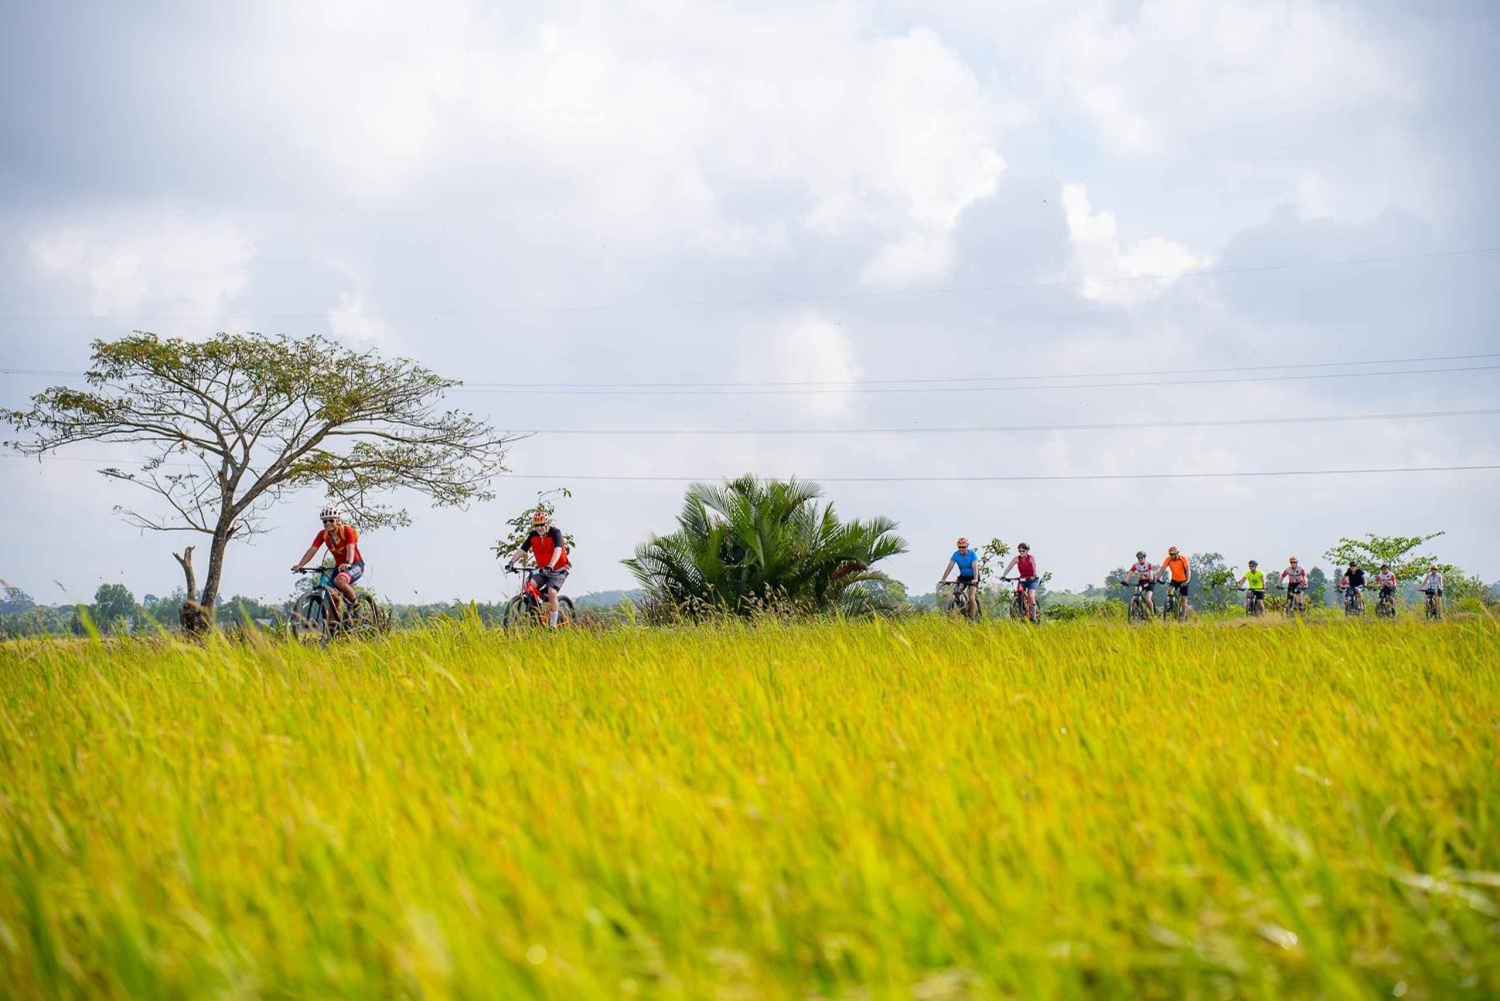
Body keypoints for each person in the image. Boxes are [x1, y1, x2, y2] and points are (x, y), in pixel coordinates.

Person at [292, 503, 364, 620]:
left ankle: (356, 606)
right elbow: (312, 549)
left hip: (355, 564)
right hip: (339, 568)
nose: (328, 524)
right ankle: (332, 630)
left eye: (331, 520)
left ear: (338, 520)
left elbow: (350, 548)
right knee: (332, 597)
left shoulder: (347, 530)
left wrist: (348, 563)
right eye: (325, 521)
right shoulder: (323, 534)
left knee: (340, 581)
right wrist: (300, 565)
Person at [506, 509, 571, 627]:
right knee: (529, 586)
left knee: (552, 593)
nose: (539, 527)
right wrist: (511, 562)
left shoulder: (555, 533)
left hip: (558, 569)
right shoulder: (533, 535)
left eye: (542, 524)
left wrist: (551, 565)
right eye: (537, 525)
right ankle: (536, 618)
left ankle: (552, 626)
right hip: (542, 570)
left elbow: (558, 550)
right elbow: (522, 549)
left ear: (547, 524)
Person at [1002, 542, 1039, 620]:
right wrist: (1004, 575)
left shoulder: (1031, 558)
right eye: (1020, 551)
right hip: (1022, 579)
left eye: (1023, 551)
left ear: (1027, 551)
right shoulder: (1016, 558)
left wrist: (1034, 575)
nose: (1021, 552)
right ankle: (1021, 610)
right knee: (1019, 592)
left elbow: (1034, 567)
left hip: (1032, 579)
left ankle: (1034, 616)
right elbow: (1009, 567)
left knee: (1031, 596)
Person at [1160, 546, 1191, 614]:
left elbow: (1188, 570)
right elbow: (1162, 569)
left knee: (1183, 599)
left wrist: (1187, 580)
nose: (1171, 556)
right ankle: (1170, 605)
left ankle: (1183, 616)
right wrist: (1157, 578)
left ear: (1177, 553)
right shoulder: (1168, 559)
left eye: (1172, 554)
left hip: (1184, 580)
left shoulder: (1183, 559)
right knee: (1169, 591)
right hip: (1174, 580)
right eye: (1170, 554)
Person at [1127, 550, 1157, 615]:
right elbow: (1130, 572)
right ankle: (1137, 608)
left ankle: (1152, 614)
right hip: (1142, 582)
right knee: (1136, 594)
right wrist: (1125, 580)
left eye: (1141, 558)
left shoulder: (1149, 565)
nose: (1140, 559)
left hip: (1150, 582)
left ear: (1144, 558)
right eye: (1138, 558)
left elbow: (1151, 577)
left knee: (1148, 599)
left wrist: (1145, 577)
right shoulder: (1136, 565)